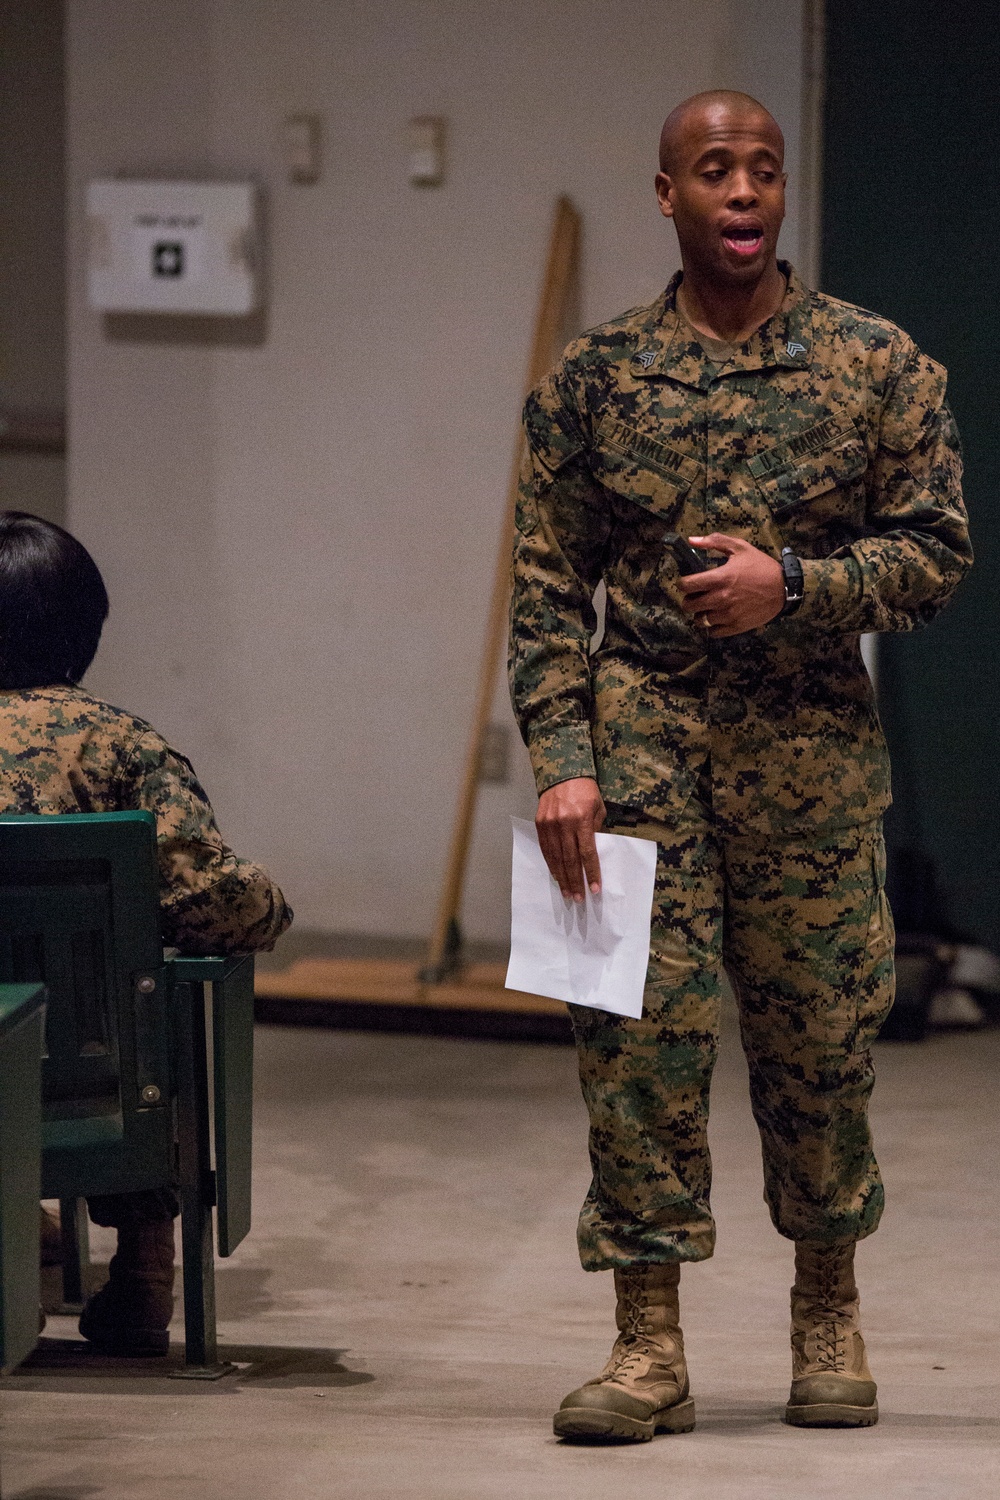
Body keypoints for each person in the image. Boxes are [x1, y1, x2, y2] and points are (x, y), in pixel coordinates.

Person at [508, 90, 971, 1439]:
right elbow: (546, 590)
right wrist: (564, 759)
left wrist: (800, 587)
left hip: (812, 760)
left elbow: (937, 556)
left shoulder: (880, 368)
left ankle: (827, 1306)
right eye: (715, 170)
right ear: (668, 195)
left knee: (820, 1046)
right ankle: (647, 1345)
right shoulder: (592, 384)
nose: (744, 191)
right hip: (637, 750)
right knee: (631, 1048)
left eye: (763, 170)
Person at [0, 510, 293, 1356]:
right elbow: (211, 897)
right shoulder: (122, 746)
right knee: (152, 994)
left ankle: (22, 1220)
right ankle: (143, 1260)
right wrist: (274, 908)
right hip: (99, 1090)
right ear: (82, 630)